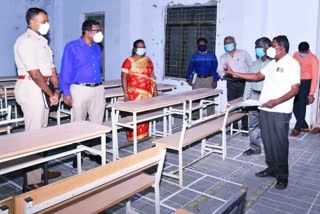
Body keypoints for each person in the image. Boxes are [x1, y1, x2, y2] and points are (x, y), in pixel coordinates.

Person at [226, 35, 300, 189]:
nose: (269, 49)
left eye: (273, 46)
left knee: (280, 144)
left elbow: (295, 89)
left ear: (281, 47)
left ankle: (282, 177)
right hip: (265, 108)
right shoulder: (272, 64)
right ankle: (271, 168)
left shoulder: (292, 64)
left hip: (280, 110)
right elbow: (257, 76)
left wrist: (276, 102)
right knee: (268, 142)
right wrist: (236, 74)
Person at [14, 7, 61, 191]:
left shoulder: (42, 41)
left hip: (43, 88)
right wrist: (50, 93)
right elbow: (34, 73)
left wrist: (56, 89)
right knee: (33, 135)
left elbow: (51, 68)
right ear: (31, 22)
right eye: (43, 21)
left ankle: (40, 170)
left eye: (47, 21)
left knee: (42, 133)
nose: (47, 25)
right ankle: (32, 180)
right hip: (31, 88)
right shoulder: (25, 42)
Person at [59, 20, 106, 162]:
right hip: (79, 89)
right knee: (79, 122)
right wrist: (66, 92)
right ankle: (78, 153)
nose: (99, 33)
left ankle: (96, 152)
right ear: (86, 31)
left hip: (97, 88)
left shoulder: (97, 48)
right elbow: (65, 71)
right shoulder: (72, 47)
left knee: (97, 122)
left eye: (99, 30)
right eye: (96, 30)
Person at [121, 39, 157, 142]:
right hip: (134, 93)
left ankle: (143, 135)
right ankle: (133, 137)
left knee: (145, 115)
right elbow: (124, 78)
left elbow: (152, 77)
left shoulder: (148, 60)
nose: (142, 49)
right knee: (134, 115)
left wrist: (155, 91)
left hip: (147, 92)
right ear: (135, 49)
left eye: (143, 47)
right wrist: (126, 94)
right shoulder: (128, 61)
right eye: (139, 47)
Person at [242, 37, 272, 156]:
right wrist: (245, 100)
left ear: (267, 48)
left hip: (267, 97)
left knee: (268, 124)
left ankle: (270, 148)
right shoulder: (254, 64)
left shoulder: (273, 64)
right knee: (253, 124)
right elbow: (248, 82)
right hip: (254, 95)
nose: (256, 48)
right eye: (255, 46)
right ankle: (255, 148)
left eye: (258, 46)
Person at [218, 36, 252, 134]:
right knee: (232, 105)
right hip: (231, 82)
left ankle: (245, 127)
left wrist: (249, 77)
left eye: (230, 42)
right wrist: (225, 74)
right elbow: (220, 70)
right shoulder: (223, 57)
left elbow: (251, 65)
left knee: (244, 105)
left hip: (244, 82)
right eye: (226, 43)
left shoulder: (243, 53)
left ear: (235, 44)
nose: (228, 45)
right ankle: (233, 126)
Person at [291, 42, 319, 136]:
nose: (301, 53)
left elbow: (315, 77)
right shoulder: (295, 54)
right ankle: (305, 125)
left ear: (308, 50)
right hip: (295, 82)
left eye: (303, 52)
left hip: (306, 83)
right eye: (300, 52)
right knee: (294, 105)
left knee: (302, 105)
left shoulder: (313, 59)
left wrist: (311, 93)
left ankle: (297, 128)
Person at [186, 37, 219, 118]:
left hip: (209, 79)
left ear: (206, 45)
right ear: (198, 46)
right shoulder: (195, 56)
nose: (202, 46)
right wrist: (188, 78)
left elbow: (216, 68)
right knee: (195, 99)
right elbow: (190, 67)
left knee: (210, 99)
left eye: (203, 44)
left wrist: (215, 80)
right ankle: (194, 116)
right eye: (200, 45)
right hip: (197, 80)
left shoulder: (211, 55)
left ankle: (211, 116)